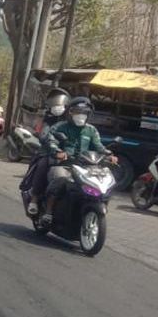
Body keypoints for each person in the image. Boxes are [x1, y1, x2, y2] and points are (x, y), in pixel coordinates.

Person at [41, 97, 118, 226]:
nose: (80, 115)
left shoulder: (91, 130)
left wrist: (109, 155)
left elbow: (99, 146)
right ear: (70, 112)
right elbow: (50, 140)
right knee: (61, 180)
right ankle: (48, 212)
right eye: (77, 111)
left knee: (105, 185)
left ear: (88, 114)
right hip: (65, 165)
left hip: (86, 167)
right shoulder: (60, 126)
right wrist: (57, 151)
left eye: (84, 112)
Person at [21, 88, 70, 215]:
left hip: (69, 153)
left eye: (60, 104)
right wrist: (51, 145)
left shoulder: (70, 121)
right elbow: (43, 134)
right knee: (43, 164)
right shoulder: (48, 119)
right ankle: (35, 198)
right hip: (47, 151)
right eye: (55, 104)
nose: (57, 107)